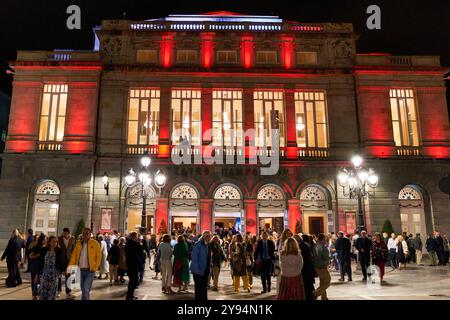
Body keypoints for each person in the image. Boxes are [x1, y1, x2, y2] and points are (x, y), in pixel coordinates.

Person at [68, 228, 101, 300]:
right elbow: (73, 256)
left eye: (87, 233)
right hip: (80, 270)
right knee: (83, 289)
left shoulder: (95, 243)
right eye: (83, 233)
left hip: (90, 270)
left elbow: (99, 257)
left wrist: (95, 267)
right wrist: (70, 267)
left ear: (90, 234)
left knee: (86, 288)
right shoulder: (78, 244)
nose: (85, 235)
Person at [39, 236, 63, 300]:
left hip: (54, 275)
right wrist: (37, 274)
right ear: (49, 242)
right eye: (53, 241)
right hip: (44, 275)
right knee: (42, 294)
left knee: (52, 294)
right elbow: (40, 263)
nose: (55, 243)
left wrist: (62, 271)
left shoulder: (59, 250)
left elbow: (61, 263)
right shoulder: (43, 250)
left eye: (56, 241)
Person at [190, 231, 212, 300]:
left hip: (205, 270)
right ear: (204, 237)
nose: (209, 238)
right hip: (198, 271)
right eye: (207, 236)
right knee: (199, 288)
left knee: (204, 287)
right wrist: (198, 271)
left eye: (209, 236)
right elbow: (194, 258)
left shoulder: (207, 245)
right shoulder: (198, 244)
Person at [124, 232, 143, 300]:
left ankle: (130, 295)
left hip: (129, 264)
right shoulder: (135, 244)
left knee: (133, 281)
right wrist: (140, 262)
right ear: (134, 237)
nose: (137, 237)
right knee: (133, 281)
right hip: (134, 264)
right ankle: (129, 296)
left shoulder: (128, 243)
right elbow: (138, 254)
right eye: (137, 236)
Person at [28, 234, 47, 299]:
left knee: (42, 281)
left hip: (43, 266)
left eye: (46, 239)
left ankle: (40, 294)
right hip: (35, 266)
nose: (45, 240)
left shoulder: (47, 248)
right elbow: (30, 256)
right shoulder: (36, 247)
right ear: (41, 240)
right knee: (34, 281)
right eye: (44, 239)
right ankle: (34, 295)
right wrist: (39, 255)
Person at [57, 227, 75, 297]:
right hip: (61, 259)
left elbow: (73, 249)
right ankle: (58, 290)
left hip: (69, 259)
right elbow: (58, 249)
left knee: (69, 276)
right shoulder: (59, 239)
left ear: (68, 233)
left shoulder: (72, 239)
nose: (64, 234)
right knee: (59, 275)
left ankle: (68, 292)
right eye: (63, 232)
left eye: (66, 233)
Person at [313, 233, 331, 300]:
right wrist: (327, 259)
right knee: (327, 282)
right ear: (323, 238)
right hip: (321, 266)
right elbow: (321, 257)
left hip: (318, 266)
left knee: (323, 282)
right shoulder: (321, 246)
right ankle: (315, 293)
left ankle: (324, 297)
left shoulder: (316, 246)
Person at [298, 234, 316, 300]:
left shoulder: (302, 246)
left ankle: (311, 295)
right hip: (309, 268)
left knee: (307, 285)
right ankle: (312, 295)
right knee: (309, 285)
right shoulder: (307, 245)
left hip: (305, 269)